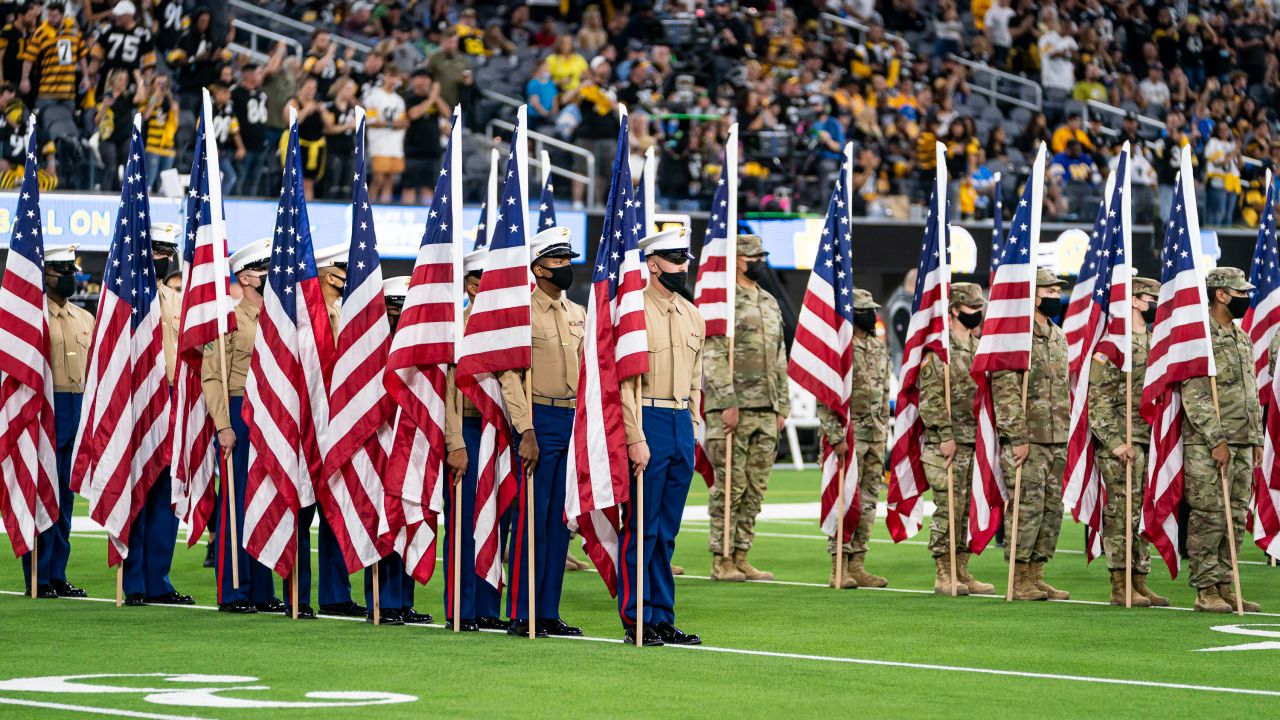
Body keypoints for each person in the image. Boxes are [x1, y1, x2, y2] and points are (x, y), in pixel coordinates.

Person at [619, 227, 705, 647]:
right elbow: (625, 384)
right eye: (674, 259)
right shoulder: (633, 311)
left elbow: (696, 378)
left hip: (679, 425)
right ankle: (637, 617)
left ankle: (662, 616)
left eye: (685, 258)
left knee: (667, 531)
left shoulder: (693, 315)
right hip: (647, 418)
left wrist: (693, 423)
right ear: (653, 264)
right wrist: (635, 436)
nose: (683, 266)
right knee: (642, 527)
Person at [503, 226, 585, 639]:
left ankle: (548, 610)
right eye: (558, 261)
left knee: (560, 523)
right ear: (537, 268)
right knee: (531, 520)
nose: (566, 267)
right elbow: (510, 377)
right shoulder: (522, 312)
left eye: (568, 260)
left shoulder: (577, 313)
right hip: (540, 418)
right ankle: (522, 609)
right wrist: (526, 429)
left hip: (573, 418)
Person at [202, 238, 286, 614]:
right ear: (248, 277)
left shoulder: (279, 317)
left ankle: (262, 590)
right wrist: (223, 425)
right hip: (240, 408)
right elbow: (212, 377)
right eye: (266, 269)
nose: (272, 275)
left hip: (272, 410)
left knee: (266, 498)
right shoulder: (229, 319)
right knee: (236, 500)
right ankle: (234, 589)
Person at [442, 245, 523, 632]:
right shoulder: (457, 328)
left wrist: (523, 430)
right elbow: (447, 393)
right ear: (473, 287)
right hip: (470, 431)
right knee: (464, 523)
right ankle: (463, 606)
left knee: (497, 520)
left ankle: (489, 604)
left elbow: (512, 384)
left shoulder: (505, 331)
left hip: (500, 432)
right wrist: (455, 442)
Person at [704, 235, 788, 583]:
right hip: (733, 409)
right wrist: (726, 401)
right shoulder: (722, 302)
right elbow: (712, 354)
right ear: (738, 259)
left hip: (766, 409)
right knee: (730, 485)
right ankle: (721, 558)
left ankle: (741, 554)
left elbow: (780, 356)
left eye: (762, 255)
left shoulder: (769, 301)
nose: (760, 261)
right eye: (754, 256)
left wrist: (781, 405)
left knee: (755, 487)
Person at [1184, 268, 1263, 613]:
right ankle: (1205, 589)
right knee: (1209, 515)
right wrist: (1217, 439)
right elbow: (1195, 395)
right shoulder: (1202, 339)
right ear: (1221, 294)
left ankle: (1225, 584)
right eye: (1240, 292)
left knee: (1234, 517)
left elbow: (1251, 391)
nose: (1246, 298)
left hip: (1243, 440)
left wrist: (1256, 437)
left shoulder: (1241, 337)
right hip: (1209, 443)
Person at [121, 224, 191, 606]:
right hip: (137, 398)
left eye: (168, 253)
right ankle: (133, 583)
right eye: (157, 251)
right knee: (137, 486)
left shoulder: (176, 300)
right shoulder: (126, 299)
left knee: (167, 489)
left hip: (172, 395)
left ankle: (158, 581)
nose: (162, 259)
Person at [1087, 276, 1167, 608]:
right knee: (1122, 512)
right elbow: (1097, 398)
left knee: (1141, 512)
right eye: (1151, 298)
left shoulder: (1153, 342)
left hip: (1148, 439)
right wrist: (1115, 441)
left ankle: (1140, 578)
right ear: (1134, 300)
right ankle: (1120, 582)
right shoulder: (1113, 345)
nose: (1156, 304)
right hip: (1122, 442)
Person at [295, 244, 366, 620]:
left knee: (338, 507)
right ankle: (298, 595)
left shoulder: (344, 314)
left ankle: (337, 595)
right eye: (340, 273)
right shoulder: (301, 320)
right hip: (306, 426)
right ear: (325, 274)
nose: (345, 279)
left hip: (337, 425)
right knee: (301, 511)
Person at [21, 244, 92, 599]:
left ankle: (58, 572)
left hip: (77, 407)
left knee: (65, 498)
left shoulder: (85, 320)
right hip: (44, 409)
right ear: (45, 275)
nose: (68, 278)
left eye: (71, 271)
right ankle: (38, 573)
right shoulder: (31, 319)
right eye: (61, 272)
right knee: (40, 493)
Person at [995, 268, 1069, 601]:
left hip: (1056, 436)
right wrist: (1016, 436)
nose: (1056, 295)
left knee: (1052, 510)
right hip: (1029, 438)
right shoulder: (1018, 337)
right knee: (1026, 508)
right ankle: (1018, 576)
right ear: (1033, 294)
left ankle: (1037, 572)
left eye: (1058, 290)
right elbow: (1006, 389)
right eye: (1050, 290)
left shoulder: (1058, 335)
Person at [917, 282, 994, 596]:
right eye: (971, 309)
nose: (977, 314)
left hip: (974, 440)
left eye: (979, 308)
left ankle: (962, 569)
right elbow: (930, 400)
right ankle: (943, 572)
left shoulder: (978, 347)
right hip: (946, 443)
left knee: (965, 509)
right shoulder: (940, 350)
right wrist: (945, 435)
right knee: (948, 507)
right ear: (954, 311)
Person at [820, 288, 889, 589]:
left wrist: (884, 429)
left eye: (873, 309)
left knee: (870, 500)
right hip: (850, 434)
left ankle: (858, 563)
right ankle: (839, 564)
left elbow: (885, 392)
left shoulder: (876, 347)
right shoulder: (840, 348)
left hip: (874, 434)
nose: (872, 314)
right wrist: (836, 436)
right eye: (865, 310)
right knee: (846, 498)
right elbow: (827, 398)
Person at [20, 2, 87, 142]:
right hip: (47, 91)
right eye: (49, 15)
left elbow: (82, 54)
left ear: (62, 15)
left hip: (68, 91)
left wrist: (85, 76)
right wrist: (24, 79)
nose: (51, 19)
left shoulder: (73, 29)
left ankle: (67, 155)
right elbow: (28, 59)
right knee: (48, 125)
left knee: (67, 124)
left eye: (54, 16)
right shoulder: (41, 32)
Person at [400, 69, 445, 206]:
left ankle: (427, 219)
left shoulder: (434, 100)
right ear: (413, 80)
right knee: (409, 187)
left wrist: (436, 97)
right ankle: (407, 214)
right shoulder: (408, 97)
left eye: (427, 78)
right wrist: (431, 99)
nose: (425, 81)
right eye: (421, 77)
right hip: (412, 150)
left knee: (429, 187)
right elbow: (413, 114)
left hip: (432, 150)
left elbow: (448, 113)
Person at [363, 66, 407, 203]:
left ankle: (385, 206)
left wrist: (393, 124)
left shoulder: (399, 100)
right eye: (391, 76)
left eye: (396, 77)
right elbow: (370, 121)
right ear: (384, 77)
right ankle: (369, 207)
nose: (393, 80)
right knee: (378, 177)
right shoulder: (374, 96)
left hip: (395, 144)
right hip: (379, 143)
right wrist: (391, 124)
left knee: (390, 179)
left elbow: (403, 122)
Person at [230, 63, 270, 197]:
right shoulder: (236, 93)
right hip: (244, 146)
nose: (261, 76)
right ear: (248, 74)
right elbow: (232, 121)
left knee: (254, 183)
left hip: (261, 145)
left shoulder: (262, 93)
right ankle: (237, 208)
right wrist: (239, 145)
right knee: (240, 180)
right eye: (258, 73)